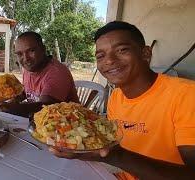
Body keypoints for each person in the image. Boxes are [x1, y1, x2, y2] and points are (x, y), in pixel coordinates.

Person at [50, 21, 195, 179]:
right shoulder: (116, 97)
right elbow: (113, 148)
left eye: (121, 50)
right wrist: (80, 151)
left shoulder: (187, 96)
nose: (109, 60)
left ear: (146, 53)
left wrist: (116, 156)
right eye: (100, 56)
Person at [0, 32, 79, 117]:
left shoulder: (57, 73)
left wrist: (13, 108)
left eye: (31, 51)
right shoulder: (30, 68)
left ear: (43, 49)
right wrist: (14, 100)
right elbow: (25, 91)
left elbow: (44, 107)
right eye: (20, 54)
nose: (26, 59)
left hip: (64, 125)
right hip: (36, 121)